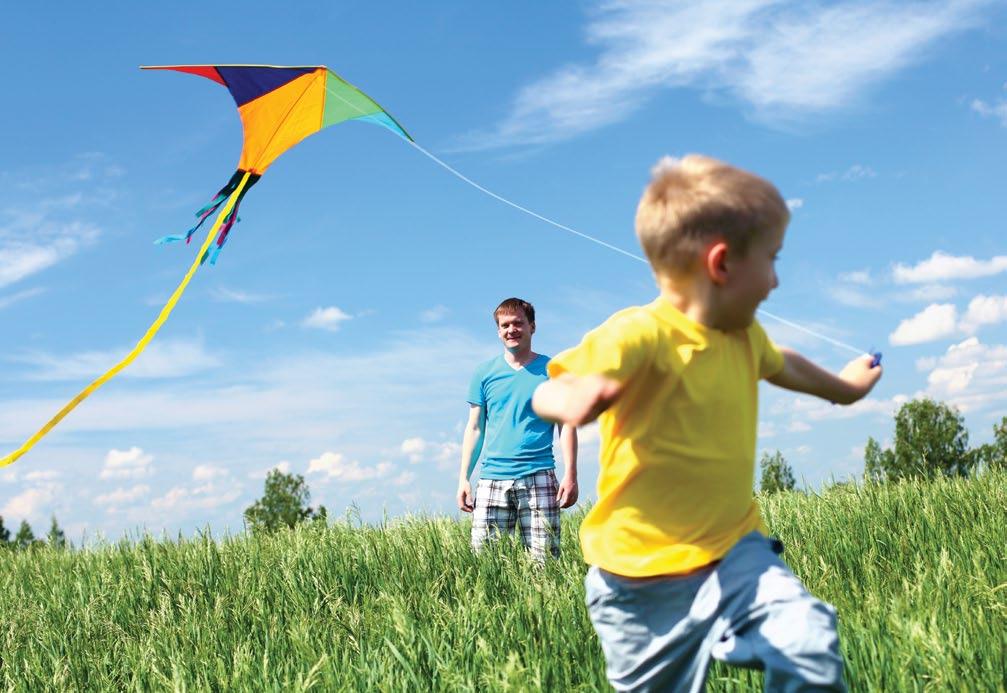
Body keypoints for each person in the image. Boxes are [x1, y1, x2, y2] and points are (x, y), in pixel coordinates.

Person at [532, 155, 881, 691]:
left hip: (735, 554)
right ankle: (717, 637)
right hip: (639, 581)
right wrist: (576, 397)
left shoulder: (744, 337)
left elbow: (787, 363)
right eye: (772, 260)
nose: (775, 281)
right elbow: (547, 391)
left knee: (809, 640)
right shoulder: (640, 333)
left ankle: (737, 627)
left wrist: (848, 388)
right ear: (721, 265)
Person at [457, 297, 578, 561]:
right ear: (498, 331)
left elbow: (566, 425)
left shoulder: (553, 371)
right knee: (485, 565)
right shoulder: (484, 373)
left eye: (518, 323)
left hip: (539, 475)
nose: (511, 330)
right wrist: (464, 477)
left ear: (532, 327)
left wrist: (571, 474)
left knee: (544, 563)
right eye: (505, 325)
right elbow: (475, 428)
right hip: (491, 479)